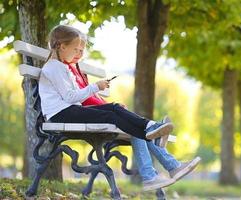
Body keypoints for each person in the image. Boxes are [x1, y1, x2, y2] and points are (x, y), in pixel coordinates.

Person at [39, 24, 200, 191]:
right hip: (62, 114)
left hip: (71, 110)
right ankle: (155, 146)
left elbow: (73, 97)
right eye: (75, 49)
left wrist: (99, 95)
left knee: (115, 108)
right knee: (113, 116)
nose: (77, 54)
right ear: (62, 46)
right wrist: (96, 87)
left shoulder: (62, 66)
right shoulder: (54, 67)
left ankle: (151, 128)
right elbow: (70, 97)